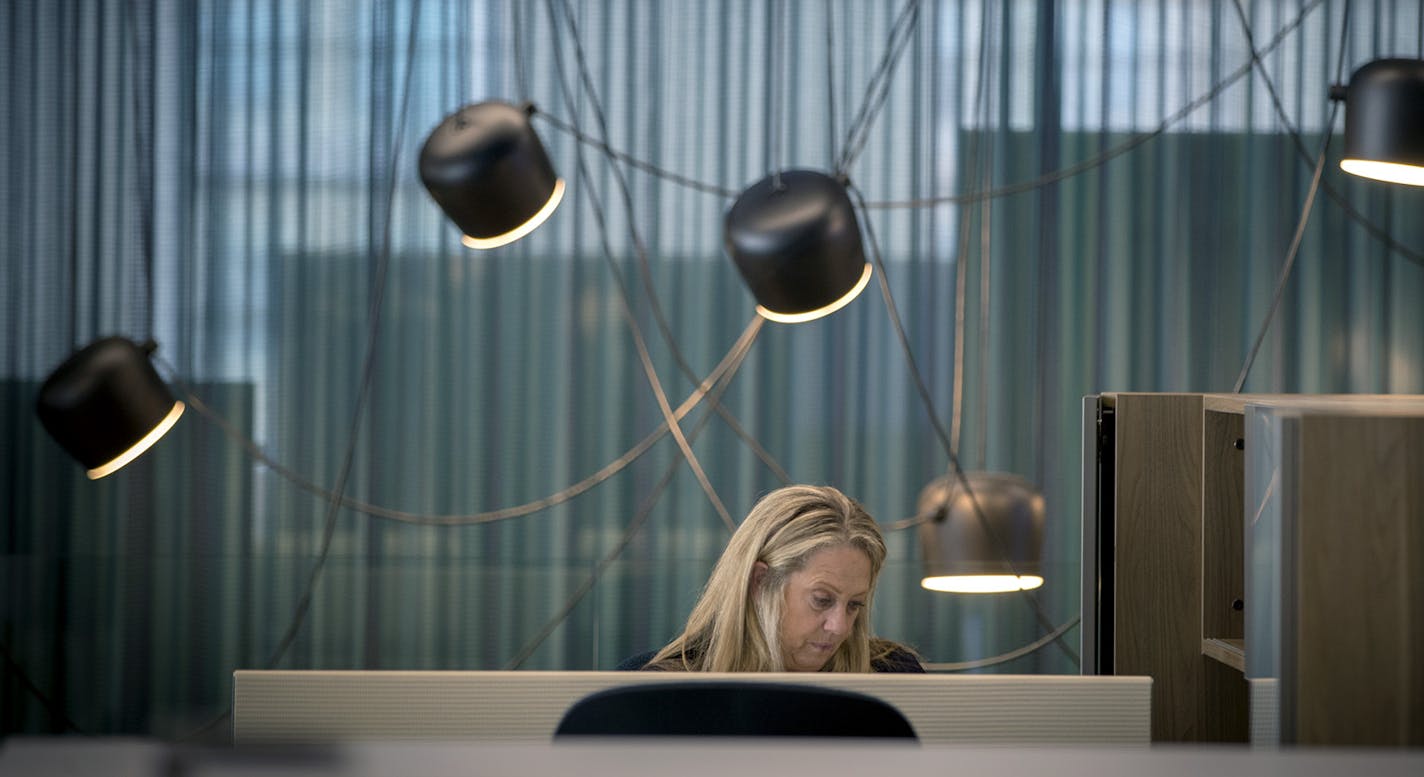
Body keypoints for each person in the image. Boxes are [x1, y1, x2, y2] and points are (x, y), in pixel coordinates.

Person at [622, 484, 923, 673]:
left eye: (854, 605)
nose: (840, 626)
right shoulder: (655, 686)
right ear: (759, 582)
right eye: (822, 600)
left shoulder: (893, 675)